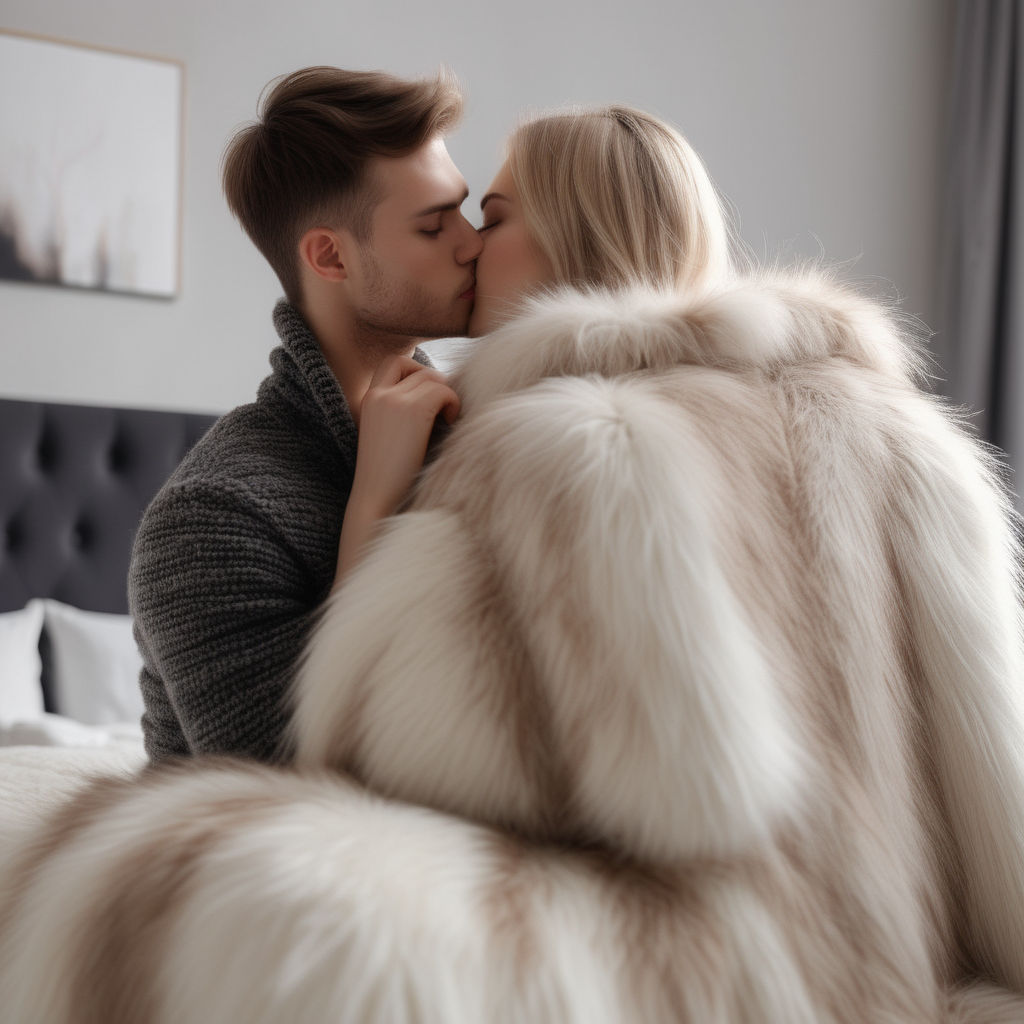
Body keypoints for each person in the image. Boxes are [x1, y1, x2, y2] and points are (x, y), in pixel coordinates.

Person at [128, 66, 482, 763]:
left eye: (464, 212)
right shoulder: (211, 516)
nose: (471, 243)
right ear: (330, 257)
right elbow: (287, 788)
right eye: (433, 226)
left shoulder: (479, 430)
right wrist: (373, 505)